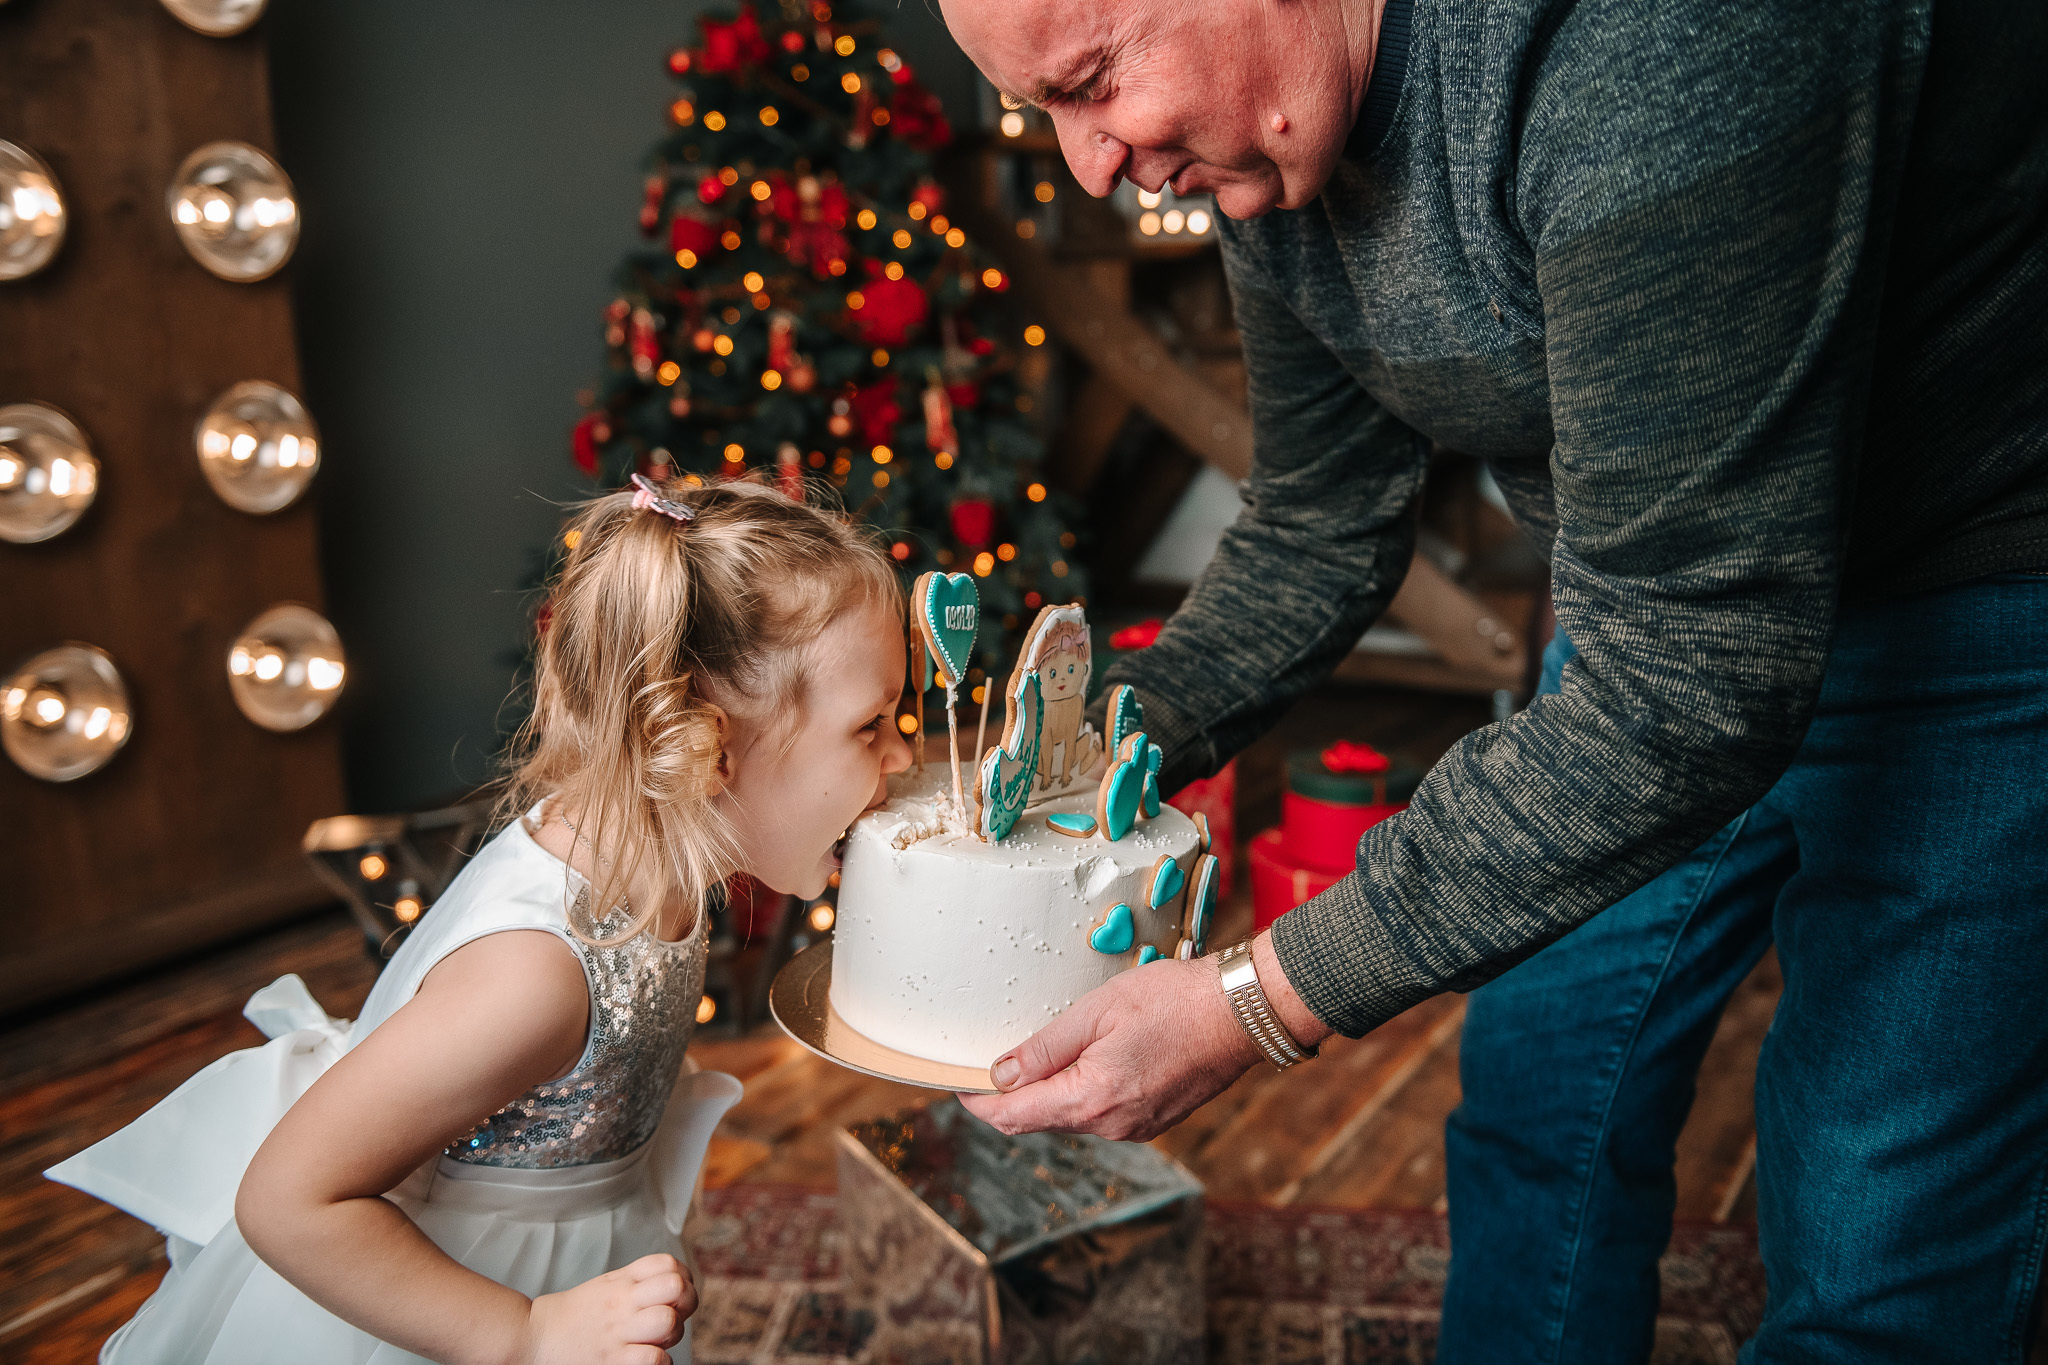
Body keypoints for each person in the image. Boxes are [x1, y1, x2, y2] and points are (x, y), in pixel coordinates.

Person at [938, 0, 2048, 1359]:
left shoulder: (1662, 41)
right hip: (1663, 606)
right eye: (1035, 109)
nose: (1088, 164)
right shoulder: (1264, 145)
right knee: (1545, 1084)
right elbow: (1318, 521)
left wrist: (1255, 1001)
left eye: (1094, 81)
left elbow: (1694, 678)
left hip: (1979, 589)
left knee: (1881, 1226)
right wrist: (1104, 745)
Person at [48, 477, 913, 1365]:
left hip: (584, 1258)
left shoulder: (665, 860)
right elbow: (285, 1198)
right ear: (707, 740)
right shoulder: (534, 976)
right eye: (871, 725)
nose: (903, 752)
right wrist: (524, 1331)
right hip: (448, 1308)